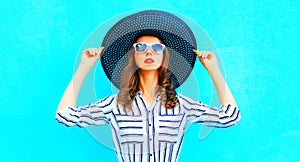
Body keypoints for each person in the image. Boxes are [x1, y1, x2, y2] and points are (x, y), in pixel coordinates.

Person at [55, 10, 241, 162]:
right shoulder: (114, 105)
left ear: (164, 56)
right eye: (140, 47)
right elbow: (64, 115)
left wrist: (214, 70)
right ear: (133, 56)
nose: (149, 52)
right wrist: (84, 67)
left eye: (157, 48)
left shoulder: (182, 105)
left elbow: (230, 116)